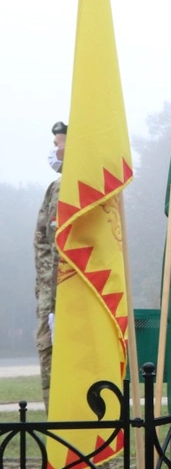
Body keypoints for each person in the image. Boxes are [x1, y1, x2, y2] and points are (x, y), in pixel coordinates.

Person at [34, 122, 66, 409]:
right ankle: (55, 430)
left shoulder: (86, 191)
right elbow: (42, 242)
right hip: (50, 300)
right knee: (48, 356)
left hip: (71, 297)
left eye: (61, 144)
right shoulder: (53, 189)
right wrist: (45, 296)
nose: (56, 151)